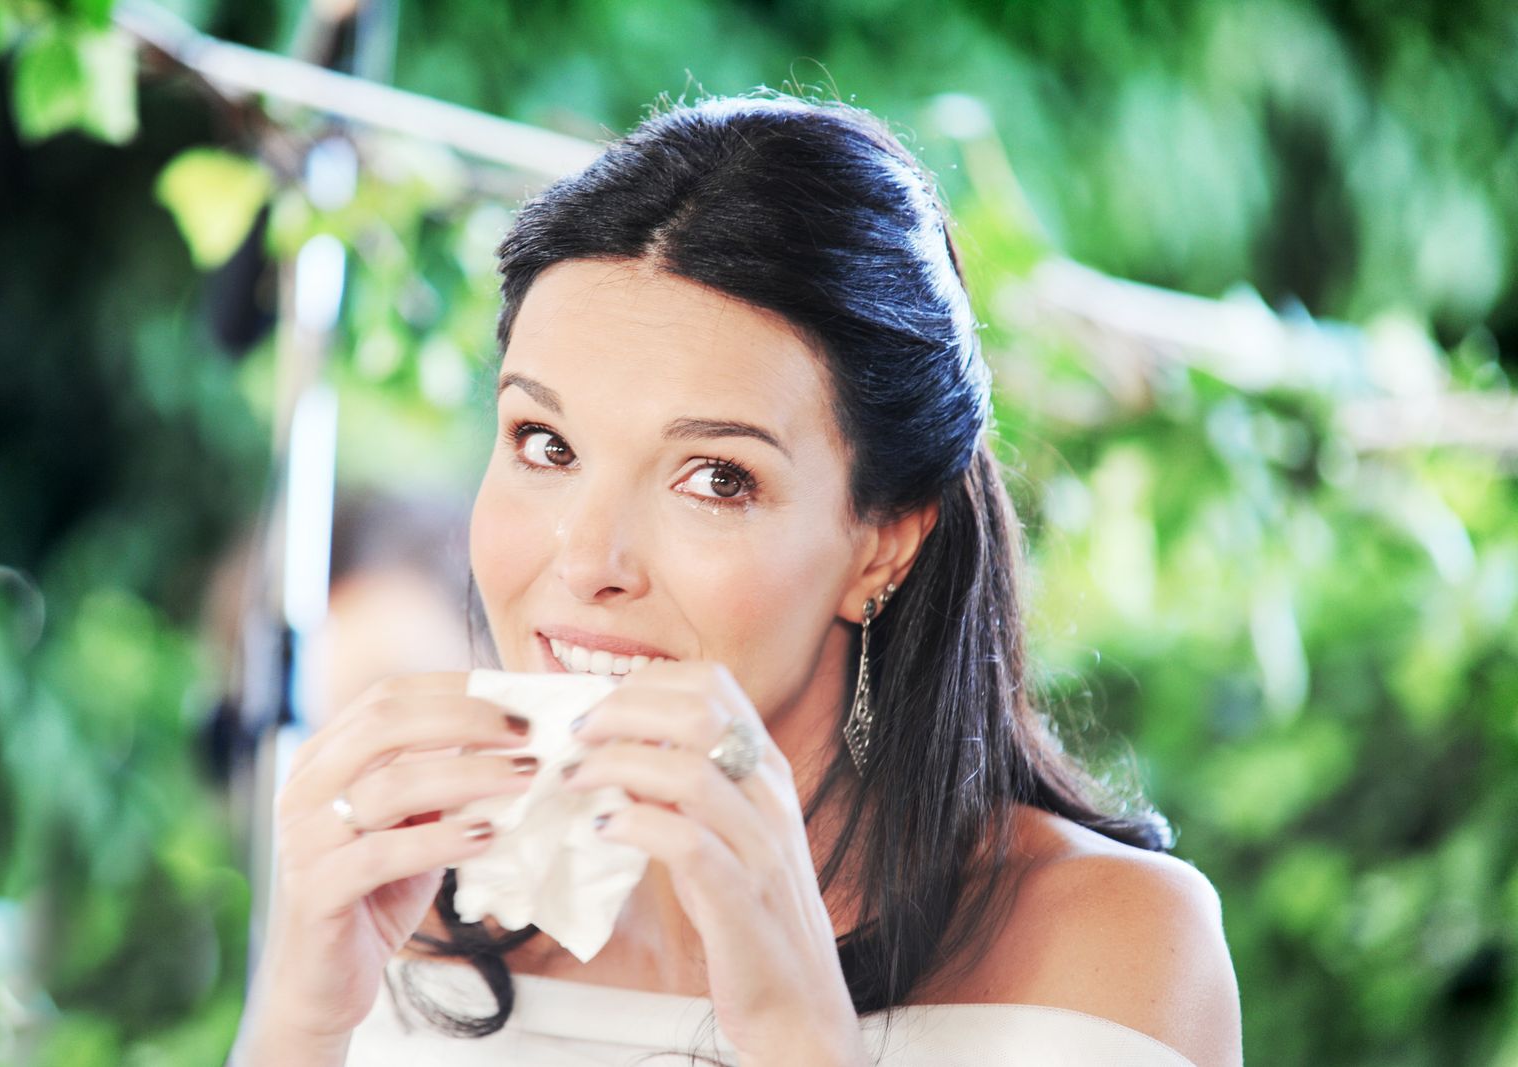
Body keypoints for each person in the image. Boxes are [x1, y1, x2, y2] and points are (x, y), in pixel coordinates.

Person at [230, 93, 1242, 1066]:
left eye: (717, 478)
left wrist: (802, 1040)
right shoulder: (400, 916)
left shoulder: (1113, 944)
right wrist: (295, 1028)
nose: (585, 561)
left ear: (881, 545)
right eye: (545, 443)